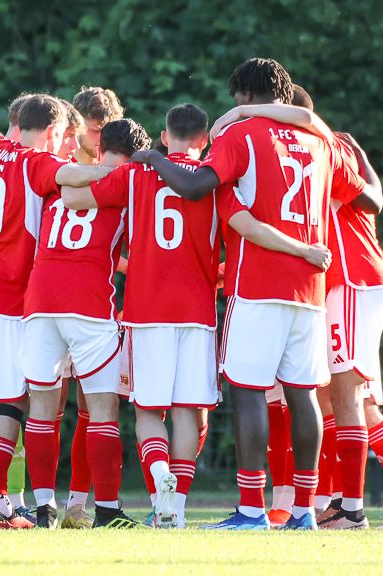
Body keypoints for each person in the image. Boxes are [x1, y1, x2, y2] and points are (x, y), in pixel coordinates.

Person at [130, 57, 367, 530]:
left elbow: (198, 184)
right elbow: (367, 198)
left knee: (250, 393)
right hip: (311, 285)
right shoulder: (321, 141)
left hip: (256, 283)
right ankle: (305, 509)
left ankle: (252, 509)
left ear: (242, 95)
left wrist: (153, 157)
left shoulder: (240, 136)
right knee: (303, 395)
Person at [212, 84, 383, 529]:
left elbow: (373, 198)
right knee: (322, 398)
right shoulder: (311, 143)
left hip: (351, 280)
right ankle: (326, 500)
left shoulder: (321, 143)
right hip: (326, 285)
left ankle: (377, 507)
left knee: (350, 400)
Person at [62, 104, 220, 529]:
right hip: (198, 310)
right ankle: (178, 508)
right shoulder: (213, 177)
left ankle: (157, 481)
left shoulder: (136, 174)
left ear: (164, 138)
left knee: (149, 411)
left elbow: (72, 197)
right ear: (203, 140)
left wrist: (113, 172)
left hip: (146, 311)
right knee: (189, 411)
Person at [0, 94, 113, 529]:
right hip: (9, 299)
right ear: (52, 133)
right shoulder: (35, 163)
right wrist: (125, 171)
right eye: (64, 136)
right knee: (13, 401)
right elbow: (74, 173)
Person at [22, 118, 150, 529]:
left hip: (40, 300)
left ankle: (44, 507)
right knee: (102, 411)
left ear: (100, 150)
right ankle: (107, 510)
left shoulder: (61, 182)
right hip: (88, 304)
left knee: (42, 410)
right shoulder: (129, 187)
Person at [60, 86, 127, 529]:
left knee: (92, 404)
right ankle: (19, 501)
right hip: (51, 298)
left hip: (99, 299)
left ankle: (76, 506)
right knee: (37, 403)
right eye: (92, 130)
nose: (99, 138)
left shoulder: (113, 171)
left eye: (105, 130)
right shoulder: (58, 169)